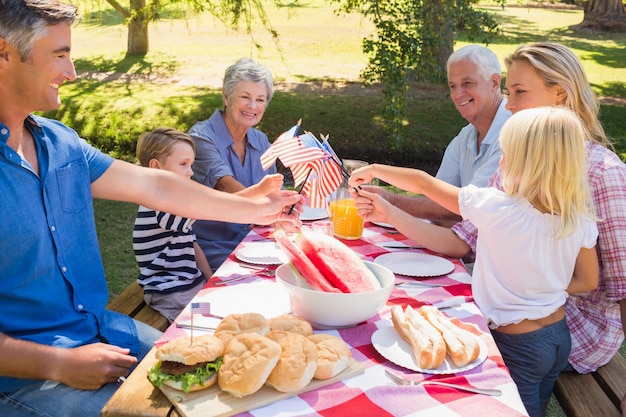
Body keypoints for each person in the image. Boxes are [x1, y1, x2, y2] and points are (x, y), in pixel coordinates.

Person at [0, 2, 301, 417]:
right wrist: (57, 363)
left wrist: (252, 206)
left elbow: (155, 185)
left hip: (99, 329)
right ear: (4, 53)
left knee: (235, 381)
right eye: (60, 54)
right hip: (25, 375)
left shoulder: (59, 142)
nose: (71, 72)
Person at [352, 42, 626, 414]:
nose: (508, 104)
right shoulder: (520, 161)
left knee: (445, 353)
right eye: (508, 92)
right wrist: (390, 214)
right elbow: (461, 241)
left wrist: (529, 284)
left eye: (519, 93)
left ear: (560, 93)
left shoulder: (603, 172)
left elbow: (622, 286)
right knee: (425, 322)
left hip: (576, 327)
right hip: (537, 318)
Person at [133, 127, 284, 322]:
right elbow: (217, 209)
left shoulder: (175, 202)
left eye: (191, 165)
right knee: (208, 324)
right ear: (156, 167)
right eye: (183, 164)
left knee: (234, 309)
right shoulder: (158, 203)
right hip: (169, 292)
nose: (190, 172)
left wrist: (210, 278)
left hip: (189, 285)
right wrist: (257, 192)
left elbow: (192, 244)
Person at [366, 44, 510, 224]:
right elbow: (440, 200)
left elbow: (469, 207)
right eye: (452, 86)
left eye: (467, 83)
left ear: (494, 83)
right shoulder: (465, 136)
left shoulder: (513, 135)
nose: (458, 94)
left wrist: (392, 201)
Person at [188, 57, 300, 271]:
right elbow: (225, 186)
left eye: (260, 99)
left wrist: (289, 205)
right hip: (210, 248)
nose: (252, 106)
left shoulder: (261, 141)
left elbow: (276, 193)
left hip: (256, 242)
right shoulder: (200, 138)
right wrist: (270, 207)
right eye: (245, 97)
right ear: (226, 96)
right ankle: (200, 307)